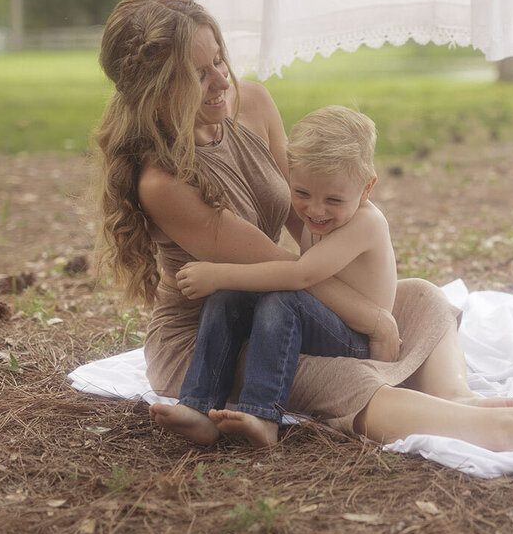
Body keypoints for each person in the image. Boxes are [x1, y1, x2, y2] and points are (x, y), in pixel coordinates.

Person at [93, 0, 513, 454]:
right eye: (198, 73)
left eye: (219, 60)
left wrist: (368, 299)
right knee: (338, 374)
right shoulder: (164, 182)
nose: (220, 81)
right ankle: (494, 431)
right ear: (156, 90)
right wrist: (372, 320)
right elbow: (278, 263)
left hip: (283, 304)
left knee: (421, 296)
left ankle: (456, 394)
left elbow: (306, 224)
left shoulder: (249, 103)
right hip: (214, 335)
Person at [169, 106, 396, 446]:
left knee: (282, 300)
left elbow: (301, 276)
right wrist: (224, 285)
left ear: (366, 189)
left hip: (355, 339)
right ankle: (198, 406)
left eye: (333, 199)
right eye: (302, 193)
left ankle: (263, 414)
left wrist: (219, 273)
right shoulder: (324, 216)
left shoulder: (366, 222)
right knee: (227, 298)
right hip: (320, 319)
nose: (315, 211)